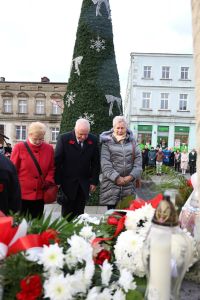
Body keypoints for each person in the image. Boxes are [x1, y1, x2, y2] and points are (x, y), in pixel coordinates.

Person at [55, 118, 100, 220]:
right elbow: (57, 162)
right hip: (67, 183)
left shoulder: (93, 140)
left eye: (86, 134)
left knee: (80, 214)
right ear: (75, 129)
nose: (83, 137)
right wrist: (57, 182)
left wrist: (94, 181)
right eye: (80, 134)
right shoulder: (64, 139)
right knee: (67, 215)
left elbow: (95, 163)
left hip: (83, 183)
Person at [10, 122, 55, 219]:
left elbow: (51, 168)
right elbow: (13, 170)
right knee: (21, 224)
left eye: (41, 139)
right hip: (22, 193)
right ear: (29, 135)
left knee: (36, 224)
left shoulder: (49, 148)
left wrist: (48, 180)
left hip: (40, 193)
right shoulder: (19, 147)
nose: (38, 142)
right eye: (35, 139)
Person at [99, 116, 142, 209]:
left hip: (129, 186)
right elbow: (105, 164)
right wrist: (117, 178)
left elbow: (138, 164)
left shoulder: (133, 142)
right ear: (113, 128)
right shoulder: (106, 143)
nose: (120, 130)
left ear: (126, 128)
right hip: (111, 186)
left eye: (122, 128)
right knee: (111, 217)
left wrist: (129, 178)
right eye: (117, 128)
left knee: (126, 218)